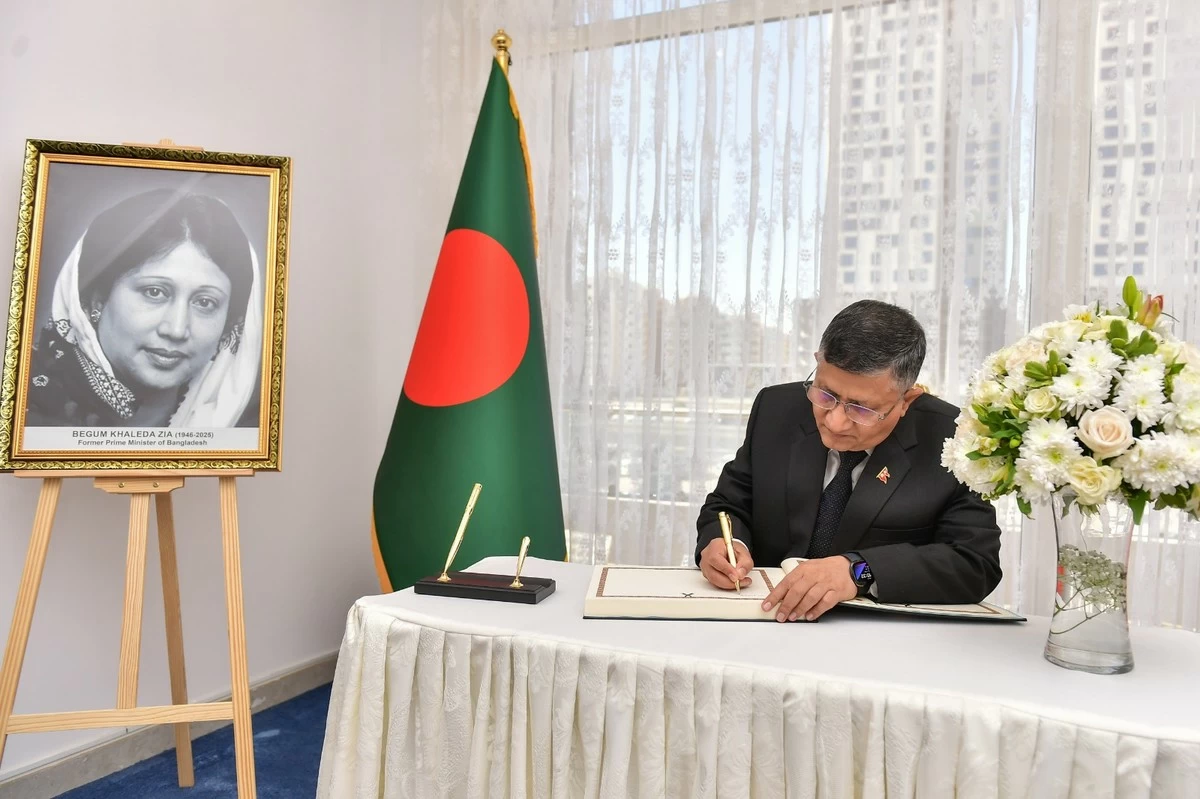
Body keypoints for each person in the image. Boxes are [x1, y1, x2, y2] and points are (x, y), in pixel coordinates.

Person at [695, 299, 1002, 622]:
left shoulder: (953, 438)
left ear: (906, 400)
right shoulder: (777, 408)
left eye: (861, 409)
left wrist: (858, 571)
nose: (835, 422)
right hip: (766, 619)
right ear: (818, 362)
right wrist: (724, 543)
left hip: (879, 636)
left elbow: (975, 563)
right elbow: (728, 505)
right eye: (825, 395)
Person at [24, 188, 263, 428]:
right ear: (97, 300)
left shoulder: (250, 426)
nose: (176, 330)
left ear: (229, 325)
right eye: (154, 292)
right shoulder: (24, 408)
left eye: (205, 302)